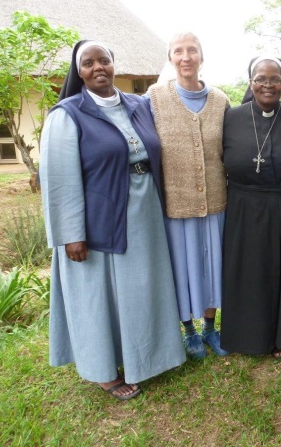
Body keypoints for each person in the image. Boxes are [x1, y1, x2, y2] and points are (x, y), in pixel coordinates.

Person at [40, 40, 186, 400]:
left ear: (114, 64)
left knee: (142, 289)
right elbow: (59, 181)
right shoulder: (67, 115)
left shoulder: (138, 105)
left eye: (103, 60)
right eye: (88, 63)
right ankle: (105, 373)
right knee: (98, 297)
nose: (97, 68)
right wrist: (72, 234)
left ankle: (147, 358)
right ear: (79, 72)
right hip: (99, 218)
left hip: (144, 211)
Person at [220, 55, 281, 358]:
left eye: (275, 79)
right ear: (251, 82)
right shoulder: (232, 117)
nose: (268, 85)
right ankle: (244, 336)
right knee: (246, 273)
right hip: (243, 207)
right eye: (261, 78)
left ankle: (280, 337)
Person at [147, 32, 230, 359]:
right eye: (178, 51)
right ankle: (189, 331)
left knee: (212, 267)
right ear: (170, 58)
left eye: (191, 50)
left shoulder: (221, 101)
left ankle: (211, 328)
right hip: (175, 203)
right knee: (180, 268)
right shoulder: (154, 98)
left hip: (215, 202)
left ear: (201, 56)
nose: (185, 57)